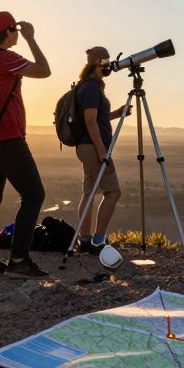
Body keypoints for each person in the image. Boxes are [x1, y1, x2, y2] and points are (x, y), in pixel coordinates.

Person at [0, 11, 52, 279]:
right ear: (7, 32)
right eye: (15, 28)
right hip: (7, 139)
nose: (18, 32)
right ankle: (18, 260)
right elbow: (44, 70)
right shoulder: (5, 58)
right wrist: (31, 39)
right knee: (34, 195)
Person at [72, 47, 130, 251]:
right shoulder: (91, 87)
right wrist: (102, 153)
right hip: (94, 147)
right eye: (106, 60)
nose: (109, 64)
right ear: (97, 61)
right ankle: (98, 240)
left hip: (88, 146)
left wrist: (116, 113)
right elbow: (89, 121)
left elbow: (96, 117)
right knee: (113, 192)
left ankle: (85, 240)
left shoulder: (91, 86)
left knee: (89, 192)